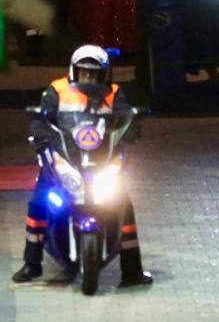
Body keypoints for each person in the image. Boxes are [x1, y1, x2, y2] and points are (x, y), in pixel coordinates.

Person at [12, 46, 153, 287]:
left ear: (104, 74)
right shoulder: (57, 90)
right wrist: (42, 138)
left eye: (94, 73)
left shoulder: (114, 93)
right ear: (73, 71)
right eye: (84, 72)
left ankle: (132, 271)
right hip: (66, 156)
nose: (88, 78)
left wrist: (131, 128)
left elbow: (126, 117)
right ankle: (31, 264)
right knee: (39, 201)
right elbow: (42, 119)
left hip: (101, 160)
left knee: (124, 204)